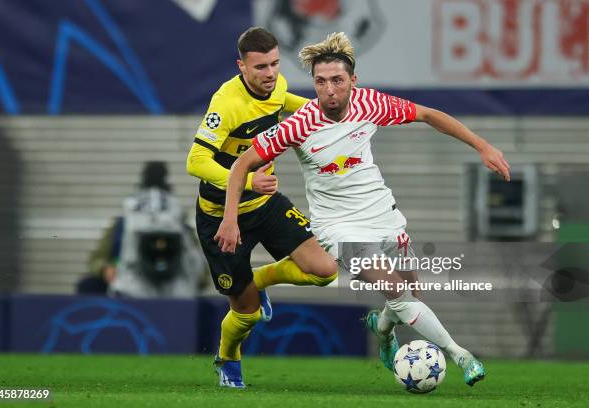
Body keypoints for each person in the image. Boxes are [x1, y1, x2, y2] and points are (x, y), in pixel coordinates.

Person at [216, 32, 511, 387]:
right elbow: (240, 165)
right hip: (338, 228)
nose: (329, 90)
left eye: (337, 81)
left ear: (352, 82)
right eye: (321, 82)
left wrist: (482, 146)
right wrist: (230, 218)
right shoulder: (298, 125)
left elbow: (429, 114)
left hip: (382, 215)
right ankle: (461, 355)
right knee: (398, 294)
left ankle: (383, 331)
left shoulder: (370, 103)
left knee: (410, 298)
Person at [186, 27, 338, 388]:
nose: (270, 74)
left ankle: (261, 278)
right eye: (260, 67)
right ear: (241, 66)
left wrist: (330, 115)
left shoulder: (278, 84)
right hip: (221, 216)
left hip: (265, 204)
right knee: (248, 314)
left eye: (274, 64)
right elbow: (196, 161)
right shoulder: (226, 103)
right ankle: (228, 357)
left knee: (325, 270)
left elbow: (288, 104)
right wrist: (249, 181)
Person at [107, 161, 207, 298]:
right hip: (175, 289)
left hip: (134, 285)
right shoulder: (175, 207)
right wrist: (104, 267)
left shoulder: (130, 209)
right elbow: (194, 257)